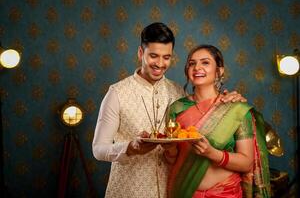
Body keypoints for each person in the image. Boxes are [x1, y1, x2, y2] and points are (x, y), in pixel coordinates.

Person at [92, 23, 246, 198]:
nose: (160, 64)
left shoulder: (178, 92)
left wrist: (229, 99)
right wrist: (130, 148)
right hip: (129, 191)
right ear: (141, 53)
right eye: (153, 56)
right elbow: (98, 149)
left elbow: (204, 115)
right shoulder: (117, 93)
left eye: (166, 57)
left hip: (171, 191)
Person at [166, 44, 271, 198]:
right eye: (192, 63)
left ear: (219, 71)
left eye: (205, 62)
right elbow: (172, 159)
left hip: (226, 193)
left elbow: (246, 162)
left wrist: (211, 153)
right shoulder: (177, 108)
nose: (197, 67)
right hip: (184, 191)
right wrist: (169, 148)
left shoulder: (236, 109)